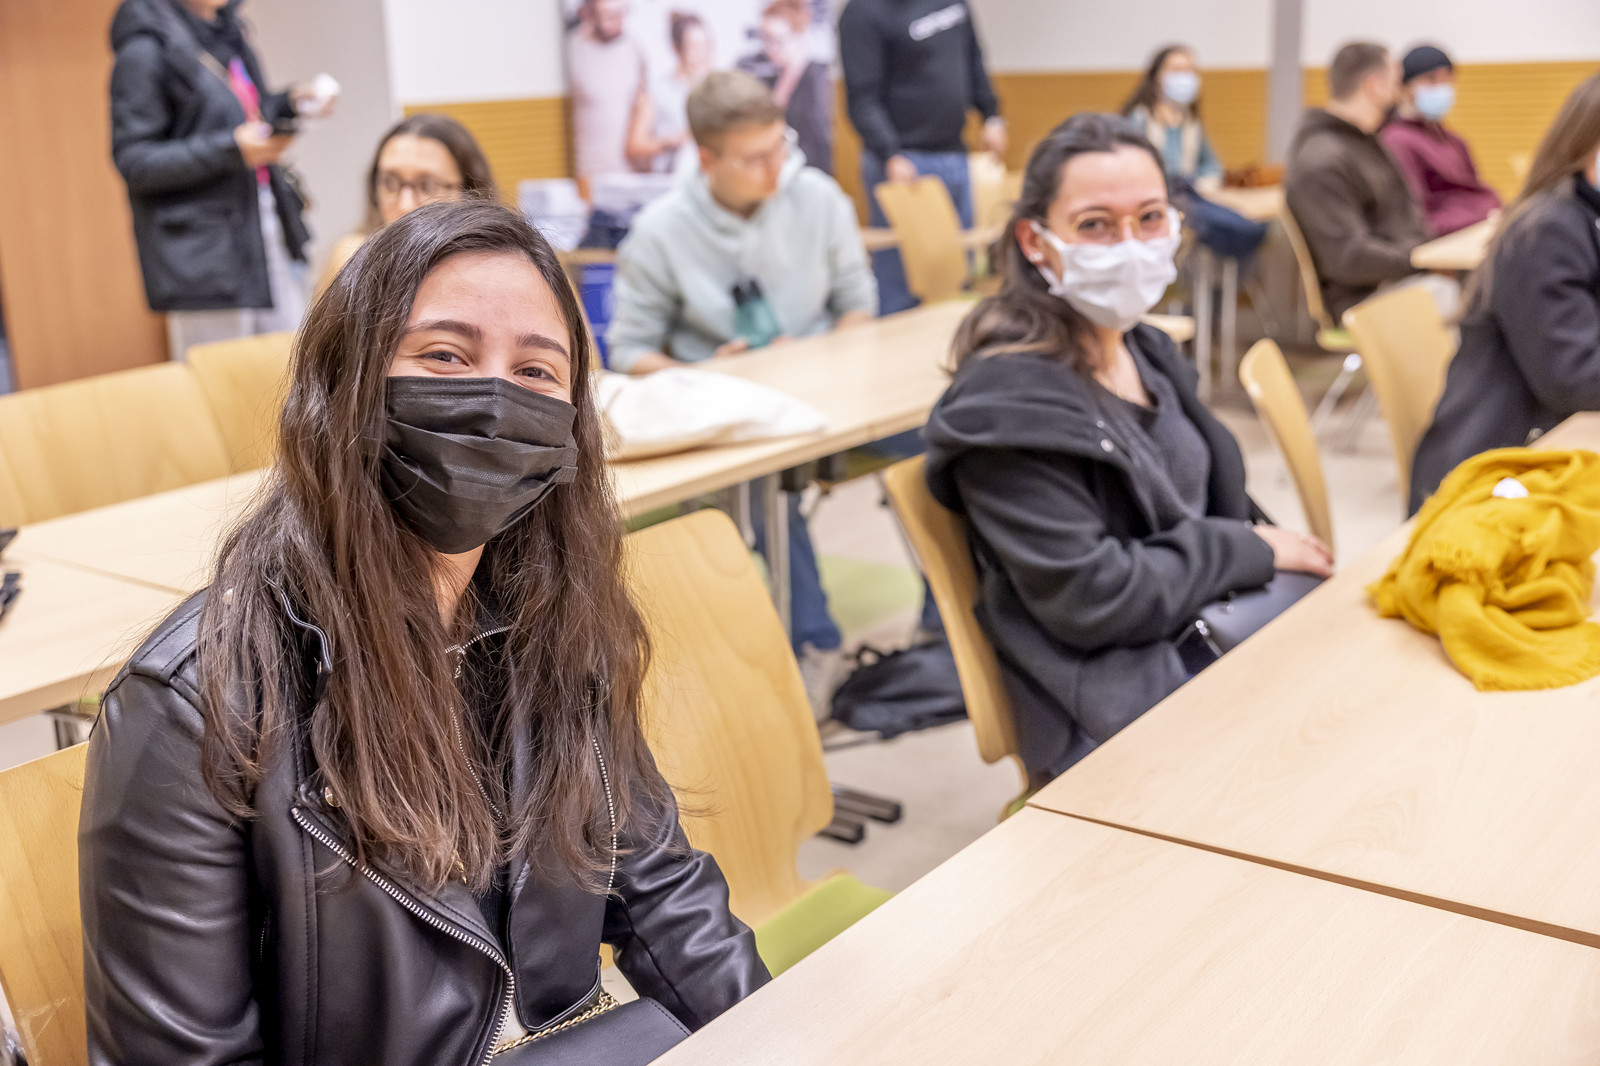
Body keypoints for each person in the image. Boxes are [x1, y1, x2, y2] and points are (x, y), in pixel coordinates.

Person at [78, 202, 769, 1064]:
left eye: (536, 371)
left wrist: (788, 1038)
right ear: (349, 382)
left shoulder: (556, 621)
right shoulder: (190, 704)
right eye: (445, 356)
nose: (496, 401)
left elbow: (664, 894)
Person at [923, 114, 1333, 784]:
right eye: (1095, 225)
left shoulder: (1145, 348)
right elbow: (1093, 597)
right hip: (1116, 708)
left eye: (1149, 217)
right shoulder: (1006, 405)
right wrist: (1248, 549)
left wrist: (1272, 550)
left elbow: (1209, 496)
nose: (1131, 244)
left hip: (1210, 638)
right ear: (1034, 241)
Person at [607, 70, 876, 673]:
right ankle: (813, 646)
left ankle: (946, 633)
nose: (776, 168)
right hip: (727, 415)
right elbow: (630, 349)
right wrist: (700, 375)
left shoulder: (819, 199)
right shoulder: (659, 232)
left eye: (781, 146)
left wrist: (821, 356)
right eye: (754, 158)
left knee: (944, 442)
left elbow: (858, 304)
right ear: (706, 159)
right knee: (763, 483)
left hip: (831, 395)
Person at [1409, 72, 1600, 513]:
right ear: (1587, 145)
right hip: (1494, 482)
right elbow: (1576, 380)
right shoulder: (1547, 231)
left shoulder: (1581, 217)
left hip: (1541, 454)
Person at [110, 0, 332, 361]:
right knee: (219, 374)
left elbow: (246, 113)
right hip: (205, 254)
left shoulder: (229, 33)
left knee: (289, 363)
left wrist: (290, 102)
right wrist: (231, 149)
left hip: (264, 225)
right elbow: (135, 161)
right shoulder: (145, 49)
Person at [839, 0, 1005, 313]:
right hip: (902, 163)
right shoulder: (864, 13)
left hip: (955, 154)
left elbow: (973, 58)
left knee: (957, 273)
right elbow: (862, 99)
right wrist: (890, 153)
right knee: (903, 281)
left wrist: (991, 115)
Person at [1285, 42, 1436, 321]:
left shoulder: (1364, 142)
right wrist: (1420, 260)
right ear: (1374, 85)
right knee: (1457, 298)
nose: (1400, 91)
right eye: (1395, 82)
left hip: (1399, 278)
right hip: (1364, 299)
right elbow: (1348, 257)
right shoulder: (1322, 159)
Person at [319, 113, 499, 289]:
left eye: (427, 185)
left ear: (469, 191)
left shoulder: (493, 267)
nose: (405, 205)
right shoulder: (355, 257)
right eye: (390, 182)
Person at [1123, 44, 1267, 260]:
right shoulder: (1139, 120)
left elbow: (1210, 166)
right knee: (1229, 227)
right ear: (1157, 76)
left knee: (1249, 227)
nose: (1185, 77)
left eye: (1189, 70)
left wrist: (1206, 182)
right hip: (1158, 198)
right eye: (1177, 70)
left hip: (1190, 192)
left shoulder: (1190, 123)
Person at [1380, 45, 1502, 237]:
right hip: (1446, 241)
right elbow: (1416, 218)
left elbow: (1474, 191)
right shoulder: (1397, 142)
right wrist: (1482, 216)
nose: (1441, 87)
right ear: (1404, 88)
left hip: (1480, 230)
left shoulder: (1454, 141)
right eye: (1430, 79)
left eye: (1447, 80)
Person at [567, 0, 648, 178]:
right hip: (590, 172)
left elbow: (644, 105)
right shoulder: (572, 50)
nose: (616, 21)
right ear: (588, 12)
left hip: (631, 174)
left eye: (620, 14)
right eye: (608, 15)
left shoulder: (634, 47)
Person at [628, 11, 714, 175]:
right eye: (694, 47)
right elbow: (635, 146)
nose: (703, 55)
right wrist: (674, 141)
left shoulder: (716, 88)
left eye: (706, 46)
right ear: (676, 48)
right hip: (670, 178)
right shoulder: (657, 90)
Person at [754, 0, 833, 177]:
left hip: (812, 173)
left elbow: (821, 140)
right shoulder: (774, 79)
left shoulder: (817, 78)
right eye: (765, 39)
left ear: (799, 34)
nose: (770, 48)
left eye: (777, 40)